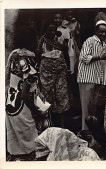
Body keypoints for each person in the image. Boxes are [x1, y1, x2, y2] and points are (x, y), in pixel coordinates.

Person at [5, 26, 39, 161]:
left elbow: (9, 79)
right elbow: (25, 94)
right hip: (23, 106)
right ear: (31, 40)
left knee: (15, 146)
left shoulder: (14, 54)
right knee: (30, 148)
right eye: (36, 38)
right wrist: (35, 110)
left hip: (10, 103)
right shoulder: (29, 59)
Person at [37, 21, 72, 128]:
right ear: (45, 31)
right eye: (49, 30)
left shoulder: (59, 39)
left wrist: (67, 69)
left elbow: (65, 54)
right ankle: (49, 125)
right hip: (46, 74)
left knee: (61, 96)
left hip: (60, 72)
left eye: (53, 30)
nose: (52, 32)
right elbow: (38, 55)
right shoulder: (42, 41)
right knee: (48, 97)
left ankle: (62, 126)